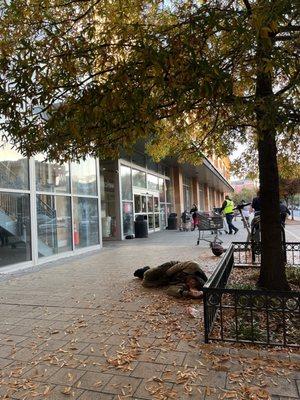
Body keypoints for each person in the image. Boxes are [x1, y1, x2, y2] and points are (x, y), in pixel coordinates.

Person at [134, 260, 208, 290]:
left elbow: (171, 290)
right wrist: (166, 275)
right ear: (195, 277)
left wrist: (189, 293)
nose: (190, 284)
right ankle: (144, 270)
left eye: (193, 285)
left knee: (150, 283)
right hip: (168, 268)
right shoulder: (193, 267)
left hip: (169, 279)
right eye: (193, 282)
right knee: (147, 275)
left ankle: (147, 270)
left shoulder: (187, 285)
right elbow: (176, 267)